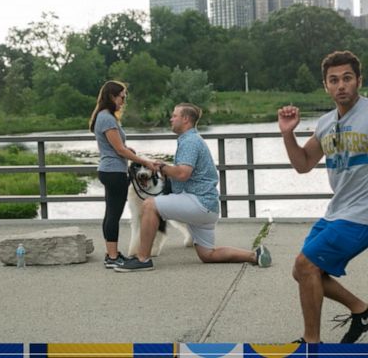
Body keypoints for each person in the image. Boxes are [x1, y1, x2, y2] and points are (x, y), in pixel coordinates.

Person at [114, 102, 272, 272]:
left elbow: (182, 173)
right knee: (208, 254)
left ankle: (142, 259)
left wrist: (160, 168)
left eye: (175, 115)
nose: (171, 118)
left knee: (149, 205)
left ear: (186, 119)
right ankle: (255, 255)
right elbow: (183, 172)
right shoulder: (193, 139)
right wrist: (165, 168)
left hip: (197, 202)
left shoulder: (189, 141)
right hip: (208, 207)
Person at [278, 51, 368, 343]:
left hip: (362, 214)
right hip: (337, 211)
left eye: (347, 78)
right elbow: (303, 164)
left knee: (307, 264)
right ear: (326, 86)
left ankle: (311, 343)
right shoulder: (326, 124)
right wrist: (288, 134)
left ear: (359, 81)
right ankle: (361, 310)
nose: (341, 85)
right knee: (302, 271)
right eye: (334, 80)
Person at [89, 80, 156, 269]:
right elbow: (119, 150)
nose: (123, 101)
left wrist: (127, 149)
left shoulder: (103, 117)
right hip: (113, 171)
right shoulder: (107, 118)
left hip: (109, 169)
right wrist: (144, 161)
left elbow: (116, 146)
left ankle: (111, 253)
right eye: (122, 97)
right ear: (111, 96)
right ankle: (112, 256)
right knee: (114, 215)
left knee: (110, 213)